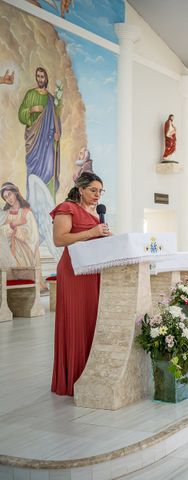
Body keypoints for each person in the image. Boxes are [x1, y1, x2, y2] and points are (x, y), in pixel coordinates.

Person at [50, 172, 111, 396]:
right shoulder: (67, 208)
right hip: (74, 272)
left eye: (100, 191)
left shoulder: (95, 214)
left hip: (93, 271)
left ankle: (89, 374)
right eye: (93, 190)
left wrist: (106, 237)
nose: (97, 195)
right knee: (76, 320)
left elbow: (93, 238)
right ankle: (71, 378)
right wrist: (92, 232)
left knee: (91, 320)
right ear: (81, 189)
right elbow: (60, 239)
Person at [18, 67, 62, 197]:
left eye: (42, 76)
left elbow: (56, 120)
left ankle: (47, 200)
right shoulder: (30, 94)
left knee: (49, 169)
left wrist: (57, 133)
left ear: (46, 78)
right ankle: (33, 200)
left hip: (48, 142)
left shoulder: (51, 99)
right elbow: (21, 114)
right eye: (38, 76)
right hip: (34, 141)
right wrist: (31, 109)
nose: (40, 79)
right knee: (33, 172)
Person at [0, 182, 39, 268]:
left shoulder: (27, 213)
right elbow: (2, 233)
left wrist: (17, 231)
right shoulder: (6, 214)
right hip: (9, 254)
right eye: (5, 197)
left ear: (15, 192)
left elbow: (34, 236)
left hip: (25, 255)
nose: (8, 199)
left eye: (9, 194)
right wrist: (13, 224)